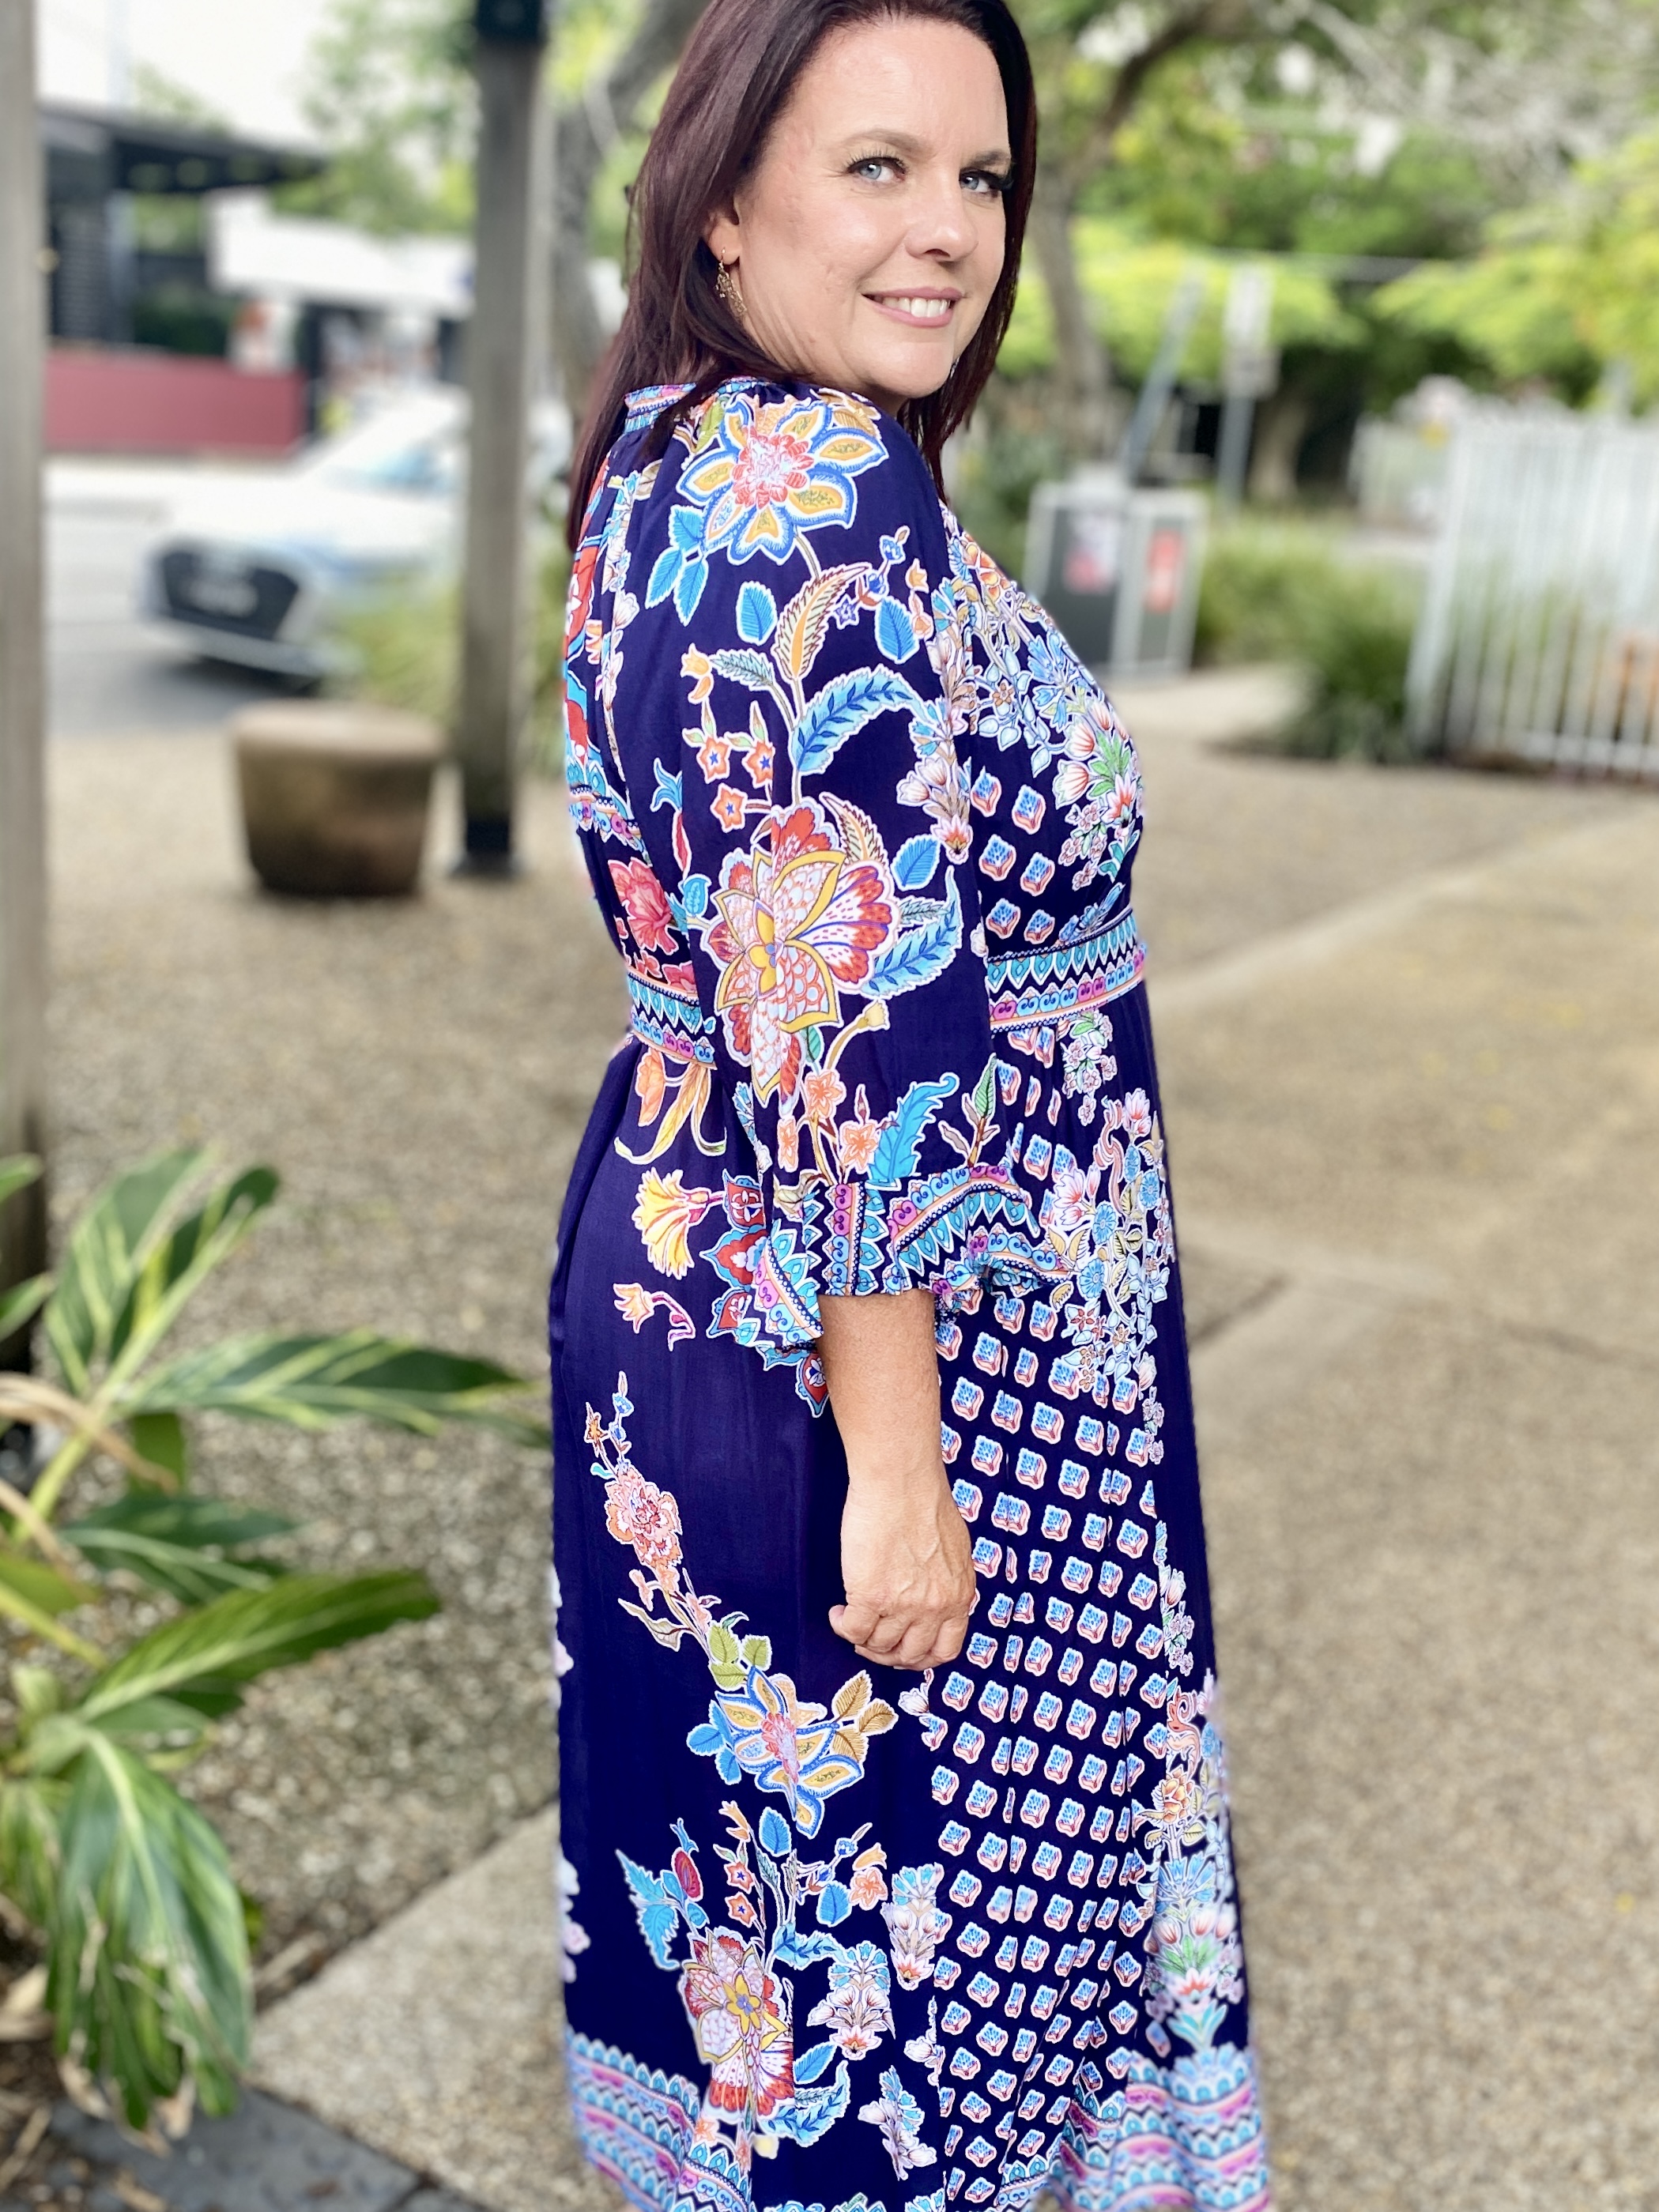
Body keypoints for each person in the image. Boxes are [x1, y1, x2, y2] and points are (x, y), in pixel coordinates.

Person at [549, 0, 1270, 2206]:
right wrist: (903, 1469)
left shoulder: (680, 450)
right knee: (915, 1974)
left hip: (713, 1266)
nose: (946, 229)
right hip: (894, 1346)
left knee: (796, 1944)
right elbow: (848, 1023)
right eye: (877, 168)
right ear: (724, 199)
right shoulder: (817, 487)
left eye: (979, 177)